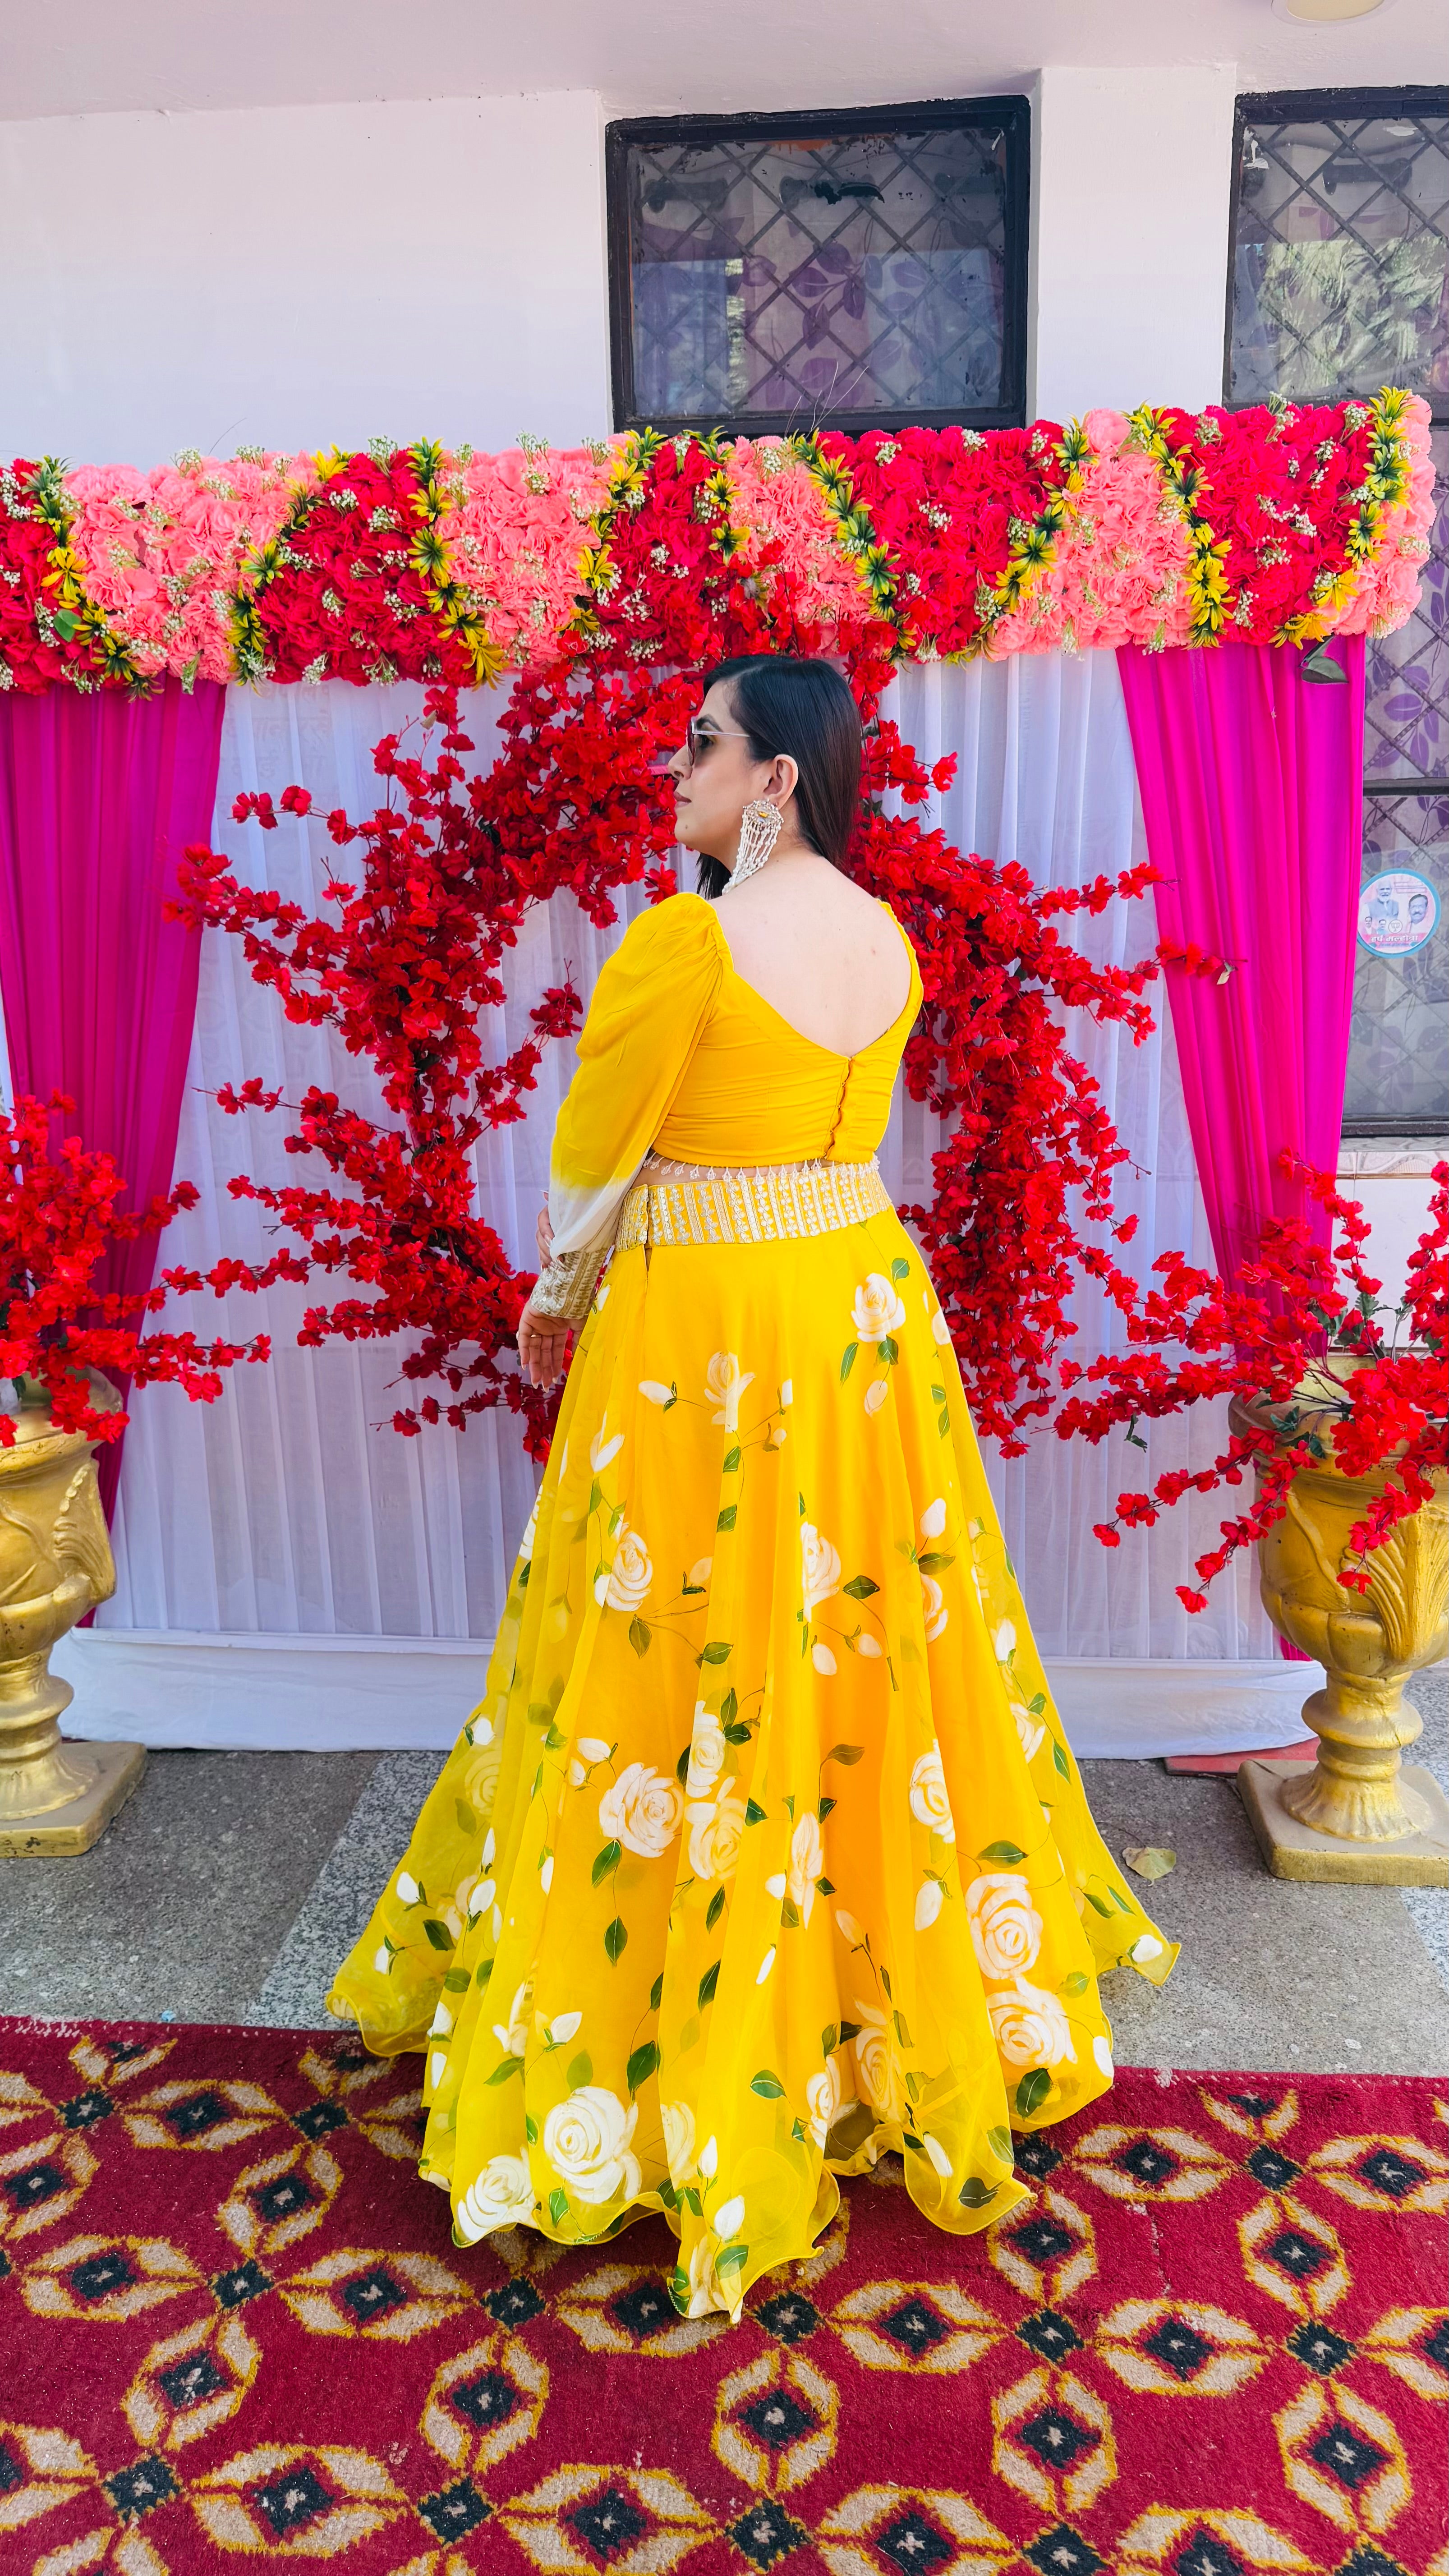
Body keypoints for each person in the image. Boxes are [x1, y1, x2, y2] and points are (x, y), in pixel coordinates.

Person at [327, 653, 1175, 2320]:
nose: (680, 771)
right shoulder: (884, 937)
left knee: (678, 1658)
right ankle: (869, 2015)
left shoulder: (688, 938)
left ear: (776, 775)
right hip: (861, 1322)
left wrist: (556, 1298)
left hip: (710, 1337)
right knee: (862, 1652)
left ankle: (681, 2033)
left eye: (701, 747)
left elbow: (592, 1160)